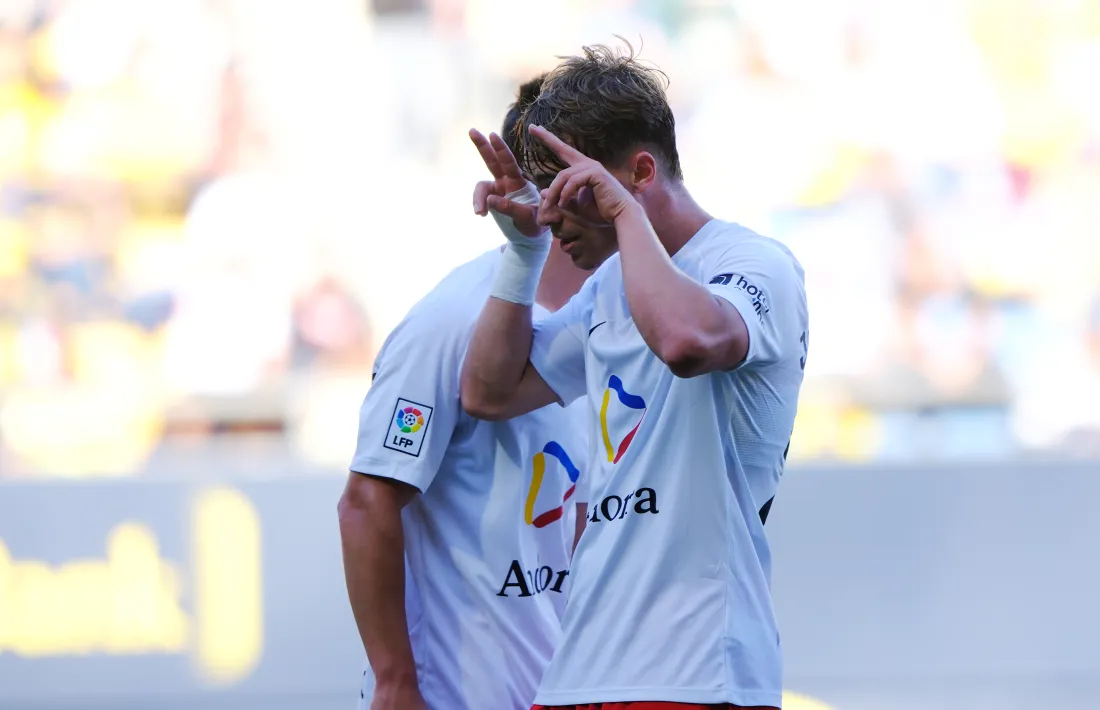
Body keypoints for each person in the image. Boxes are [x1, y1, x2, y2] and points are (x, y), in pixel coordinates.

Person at [461, 43, 809, 710]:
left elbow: (686, 341)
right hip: (584, 667)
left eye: (568, 189)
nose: (551, 213)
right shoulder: (612, 283)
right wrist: (522, 252)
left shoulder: (754, 262)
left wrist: (621, 215)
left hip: (696, 668)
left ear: (640, 171)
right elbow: (489, 392)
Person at [338, 75, 594, 710]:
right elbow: (367, 501)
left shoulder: (616, 314)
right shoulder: (449, 323)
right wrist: (397, 681)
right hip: (453, 694)